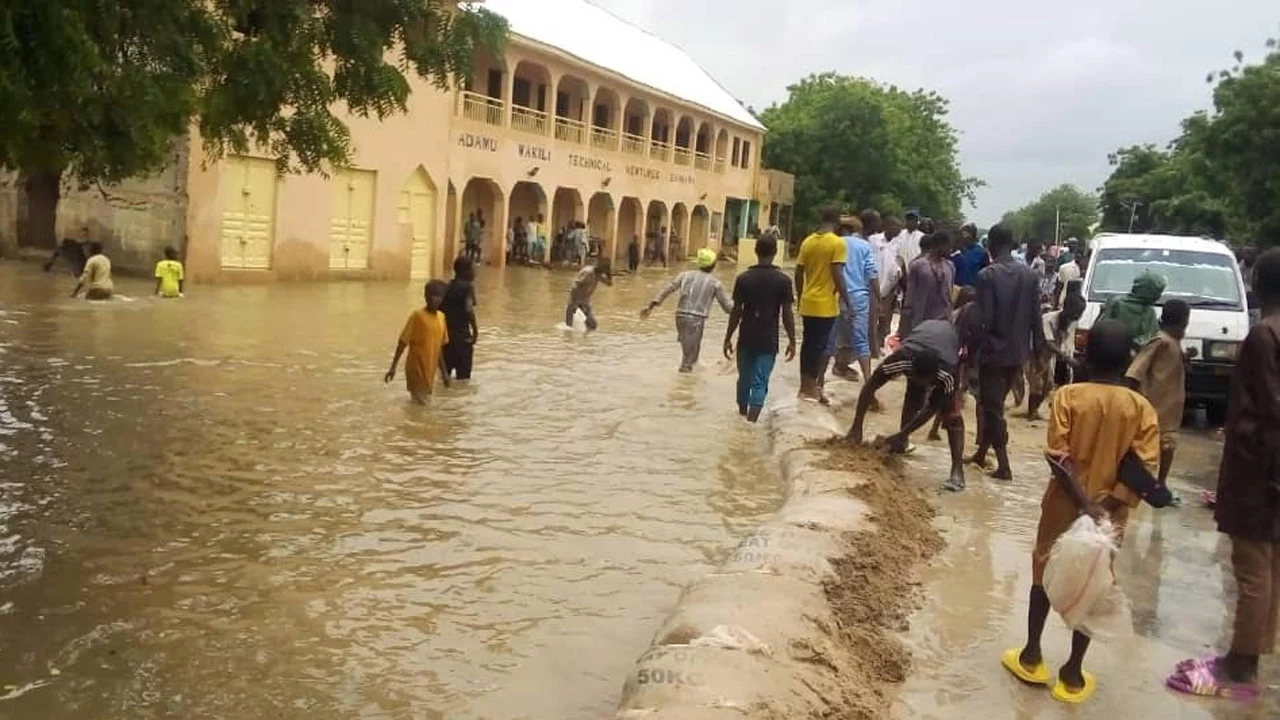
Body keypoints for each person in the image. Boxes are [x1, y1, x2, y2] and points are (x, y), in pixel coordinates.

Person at [1003, 319, 1160, 703]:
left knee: (1042, 572)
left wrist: (1082, 502)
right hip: (1111, 514)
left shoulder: (1068, 396)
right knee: (1094, 584)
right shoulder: (1142, 409)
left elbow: (1058, 458)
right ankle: (1072, 674)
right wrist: (1103, 505)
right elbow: (1144, 469)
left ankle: (1031, 655)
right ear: (1127, 362)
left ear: (1085, 355)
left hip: (1062, 504)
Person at [1167, 249, 1280, 700]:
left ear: (1257, 282)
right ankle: (1253, 650)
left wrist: (1265, 476)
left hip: (1260, 472)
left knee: (1251, 567)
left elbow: (1270, 412)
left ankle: (1240, 666)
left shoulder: (1263, 336)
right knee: (1271, 563)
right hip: (1270, 470)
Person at [846, 319, 967, 491]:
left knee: (952, 415)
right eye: (916, 378)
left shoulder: (947, 374)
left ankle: (957, 471)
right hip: (922, 334)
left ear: (934, 378)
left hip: (950, 340)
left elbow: (931, 408)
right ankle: (902, 443)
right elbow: (870, 386)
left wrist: (901, 433)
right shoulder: (902, 359)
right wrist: (856, 426)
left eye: (927, 382)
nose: (923, 384)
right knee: (914, 394)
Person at [969, 223, 1045, 481]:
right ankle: (981, 454)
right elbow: (1037, 317)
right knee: (994, 404)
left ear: (989, 245)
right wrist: (1038, 353)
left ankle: (1004, 466)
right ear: (1012, 245)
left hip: (993, 352)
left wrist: (972, 353)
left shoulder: (987, 276)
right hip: (1018, 352)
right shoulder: (1030, 276)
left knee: (992, 409)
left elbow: (985, 320)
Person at [725, 234, 796, 421]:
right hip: (768, 339)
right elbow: (787, 314)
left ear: (756, 251)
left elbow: (736, 312)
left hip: (746, 337)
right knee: (760, 381)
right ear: (775, 252)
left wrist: (727, 337)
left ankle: (741, 417)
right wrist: (792, 340)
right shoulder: (783, 281)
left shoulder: (743, 279)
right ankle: (751, 423)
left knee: (744, 379)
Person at [1126, 299, 1193, 484]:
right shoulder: (1160, 341)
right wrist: (1134, 399)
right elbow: (1136, 370)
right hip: (1154, 404)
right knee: (1149, 444)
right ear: (1183, 321)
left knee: (1167, 446)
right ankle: (1143, 481)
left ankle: (1159, 483)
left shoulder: (1173, 342)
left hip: (1170, 406)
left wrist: (1186, 358)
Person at [642, 248, 733, 372]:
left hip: (680, 317)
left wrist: (652, 304)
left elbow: (668, 289)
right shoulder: (715, 283)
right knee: (689, 359)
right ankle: (682, 386)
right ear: (713, 265)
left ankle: (689, 384)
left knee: (691, 354)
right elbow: (728, 307)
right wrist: (745, 309)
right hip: (696, 320)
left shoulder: (684, 275)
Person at [794, 206, 849, 403]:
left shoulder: (808, 241)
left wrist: (801, 296)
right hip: (825, 305)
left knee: (808, 345)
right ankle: (813, 388)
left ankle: (804, 387)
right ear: (837, 221)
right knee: (821, 347)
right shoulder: (837, 243)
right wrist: (847, 300)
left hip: (808, 302)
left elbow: (798, 273)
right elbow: (837, 273)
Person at [384, 279, 452, 404]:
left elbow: (439, 348)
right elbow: (402, 342)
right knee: (424, 406)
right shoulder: (417, 316)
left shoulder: (442, 318)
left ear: (443, 298)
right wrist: (393, 368)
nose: (435, 299)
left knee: (419, 405)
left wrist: (444, 373)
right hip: (416, 369)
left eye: (438, 296)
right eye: (432, 295)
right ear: (426, 296)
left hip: (429, 371)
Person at [832, 213, 879, 382]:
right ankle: (868, 381)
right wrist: (878, 298)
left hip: (834, 297)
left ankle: (820, 381)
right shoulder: (864, 246)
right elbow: (872, 274)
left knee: (833, 339)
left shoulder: (834, 243)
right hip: (858, 297)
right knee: (860, 340)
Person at [1025, 294, 1086, 420]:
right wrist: (1067, 359)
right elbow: (1049, 343)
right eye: (1076, 312)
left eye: (1080, 313)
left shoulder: (1072, 322)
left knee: (1048, 384)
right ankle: (1030, 413)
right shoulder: (1047, 319)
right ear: (1066, 308)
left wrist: (1069, 358)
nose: (1077, 316)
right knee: (1037, 384)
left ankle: (1035, 410)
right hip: (1035, 352)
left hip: (1049, 355)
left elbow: (1068, 343)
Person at [900, 231, 955, 338]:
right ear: (939, 245)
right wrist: (905, 323)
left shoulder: (950, 266)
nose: (950, 250)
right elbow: (909, 296)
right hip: (920, 320)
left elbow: (950, 294)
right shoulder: (918, 265)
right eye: (948, 246)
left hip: (942, 321)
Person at [1101, 271, 1166, 349]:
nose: (1158, 297)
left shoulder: (1149, 311)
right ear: (1147, 291)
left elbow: (1153, 339)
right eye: (1156, 292)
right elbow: (1101, 332)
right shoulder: (1117, 304)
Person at [871, 216, 906, 357]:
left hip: (890, 288)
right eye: (895, 226)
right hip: (873, 286)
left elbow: (900, 266)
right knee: (872, 320)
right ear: (887, 226)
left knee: (885, 320)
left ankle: (879, 344)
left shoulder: (899, 244)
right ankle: (872, 348)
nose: (898, 230)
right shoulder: (874, 240)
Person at [441, 256, 479, 381]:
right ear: (465, 271)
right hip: (463, 341)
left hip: (446, 341)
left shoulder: (447, 287)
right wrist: (475, 332)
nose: (475, 273)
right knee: (463, 382)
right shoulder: (468, 288)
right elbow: (468, 309)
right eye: (473, 269)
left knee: (444, 379)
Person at [565, 257, 612, 331]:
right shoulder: (588, 272)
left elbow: (609, 284)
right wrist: (574, 302)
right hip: (575, 299)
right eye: (604, 268)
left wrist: (609, 274)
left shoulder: (598, 275)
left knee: (592, 325)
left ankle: (585, 340)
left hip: (585, 301)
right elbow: (575, 285)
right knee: (568, 327)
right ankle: (568, 340)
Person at [951, 224, 988, 288]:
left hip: (973, 290)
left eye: (964, 234)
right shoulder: (957, 251)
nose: (961, 236)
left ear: (970, 235)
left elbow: (985, 275)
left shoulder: (982, 253)